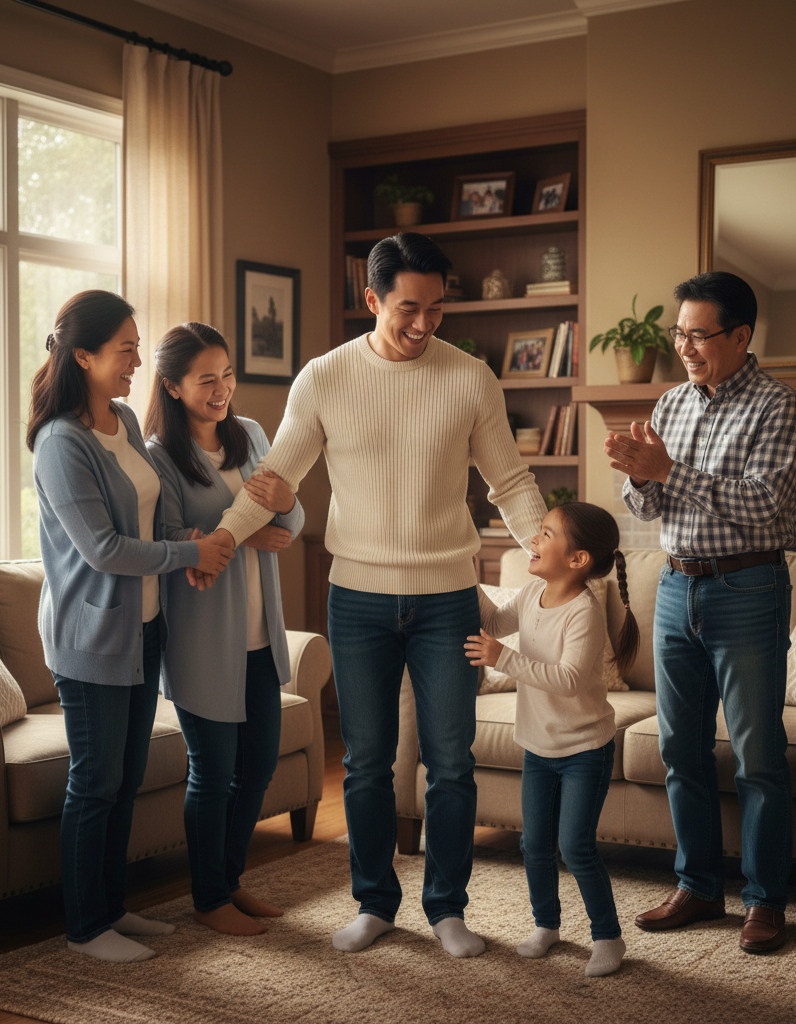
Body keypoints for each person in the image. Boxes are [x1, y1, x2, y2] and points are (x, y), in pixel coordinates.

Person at [205, 231, 548, 958]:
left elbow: (511, 482)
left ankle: (447, 909)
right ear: (371, 299)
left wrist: (550, 559)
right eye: (407, 309)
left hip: (448, 597)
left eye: (436, 309)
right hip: (357, 599)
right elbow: (275, 479)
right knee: (366, 762)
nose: (424, 324)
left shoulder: (471, 378)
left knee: (450, 761)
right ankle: (374, 903)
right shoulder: (324, 378)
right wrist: (225, 540)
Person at [604, 271, 796, 955]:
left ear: (741, 335)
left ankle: (765, 900)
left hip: (748, 589)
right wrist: (639, 474)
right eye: (679, 333)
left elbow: (763, 504)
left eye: (699, 334)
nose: (684, 346)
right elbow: (646, 507)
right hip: (674, 587)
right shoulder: (670, 403)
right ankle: (696, 887)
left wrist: (666, 471)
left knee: (758, 756)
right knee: (680, 750)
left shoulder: (778, 406)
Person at [26, 291, 234, 963]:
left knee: (126, 778)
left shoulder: (120, 418)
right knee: (95, 783)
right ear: (83, 357)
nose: (137, 362)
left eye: (138, 348)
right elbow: (103, 549)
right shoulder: (61, 443)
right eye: (125, 350)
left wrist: (188, 541)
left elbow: (152, 514)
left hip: (145, 629)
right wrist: (188, 555)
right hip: (91, 640)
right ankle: (85, 928)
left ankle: (111, 909)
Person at [144, 322, 304, 937]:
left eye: (227, 374)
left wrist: (280, 508)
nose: (221, 389)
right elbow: (168, 537)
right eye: (206, 379)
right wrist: (240, 534)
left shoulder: (252, 434)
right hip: (203, 637)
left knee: (258, 765)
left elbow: (291, 514)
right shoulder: (159, 456)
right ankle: (207, 898)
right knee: (212, 773)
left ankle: (230, 881)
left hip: (262, 632)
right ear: (173, 387)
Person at [465, 502, 638, 978]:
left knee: (575, 846)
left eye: (546, 534)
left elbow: (568, 679)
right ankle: (547, 926)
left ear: (578, 559)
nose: (534, 540)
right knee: (534, 845)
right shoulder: (531, 592)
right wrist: (464, 570)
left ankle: (608, 936)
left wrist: (503, 659)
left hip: (585, 749)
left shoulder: (583, 612)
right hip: (538, 747)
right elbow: (494, 623)